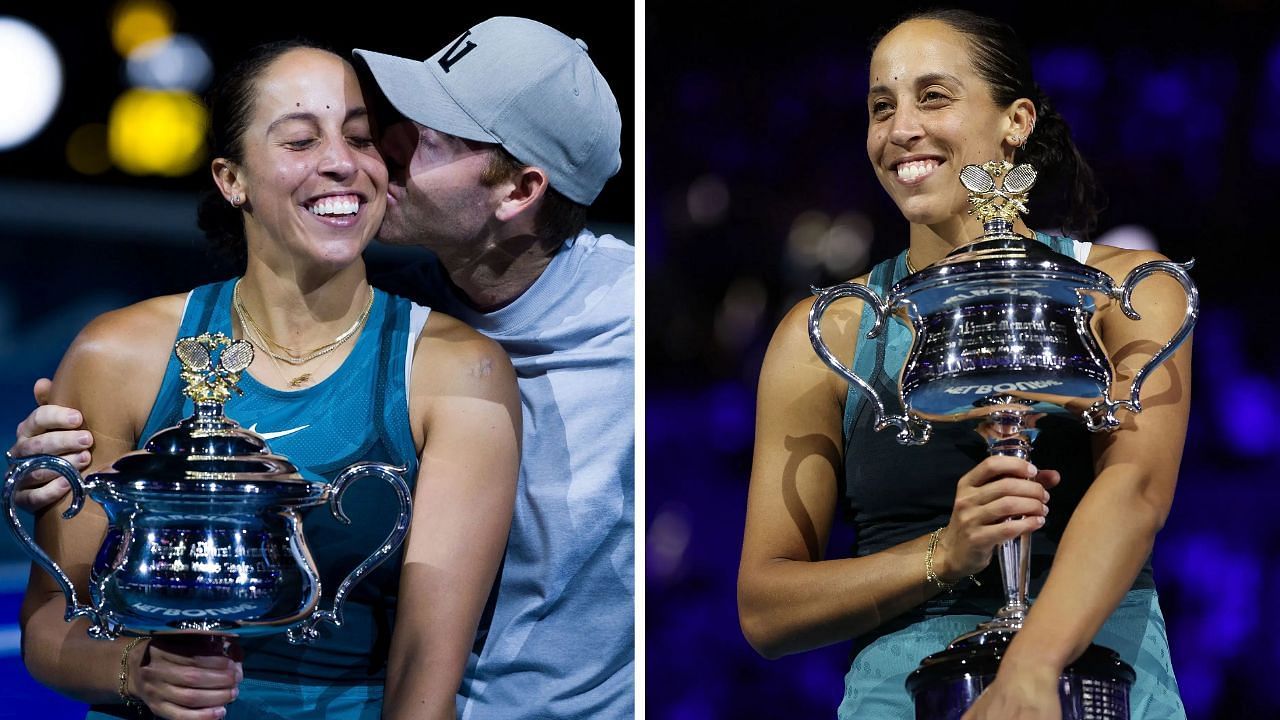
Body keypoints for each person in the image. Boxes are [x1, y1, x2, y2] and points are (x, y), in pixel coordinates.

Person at [11, 16, 634, 720]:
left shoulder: (475, 362)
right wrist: (137, 671)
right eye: (303, 140)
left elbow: (424, 679)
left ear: (520, 191)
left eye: (366, 138)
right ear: (231, 178)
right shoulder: (117, 353)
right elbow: (49, 626)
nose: (357, 161)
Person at [736, 9, 1189, 720]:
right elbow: (766, 609)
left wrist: (1030, 667)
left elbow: (1135, 491)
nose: (901, 128)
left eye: (933, 96)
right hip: (901, 697)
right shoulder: (825, 334)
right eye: (881, 107)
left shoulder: (1125, 292)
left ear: (1016, 121)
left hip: (1105, 684)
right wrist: (944, 554)